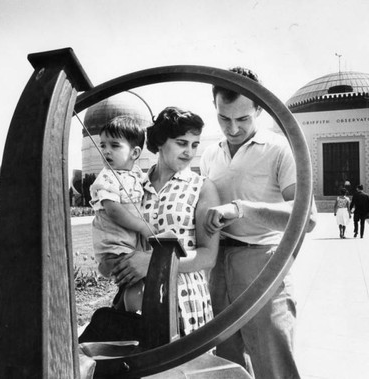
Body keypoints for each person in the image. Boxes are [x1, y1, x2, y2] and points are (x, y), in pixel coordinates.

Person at [201, 67, 317, 379]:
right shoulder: (210, 154)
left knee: (274, 367)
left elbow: (306, 217)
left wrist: (242, 209)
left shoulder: (280, 149)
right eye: (224, 118)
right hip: (217, 269)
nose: (233, 128)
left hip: (263, 266)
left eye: (243, 119)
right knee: (227, 367)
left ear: (259, 110)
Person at [110, 106, 221, 335]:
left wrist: (152, 263)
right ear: (160, 141)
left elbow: (208, 255)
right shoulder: (133, 185)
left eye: (194, 144)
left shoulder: (202, 187)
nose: (189, 152)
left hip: (185, 298)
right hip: (137, 299)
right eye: (181, 143)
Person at [89, 115, 155, 311]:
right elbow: (114, 210)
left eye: (115, 145)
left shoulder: (135, 174)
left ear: (135, 153)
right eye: (103, 145)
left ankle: (120, 317)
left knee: (133, 283)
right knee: (135, 284)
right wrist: (143, 226)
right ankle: (133, 320)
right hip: (115, 247)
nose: (106, 151)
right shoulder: (107, 176)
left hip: (129, 245)